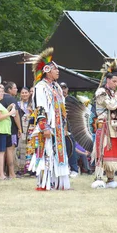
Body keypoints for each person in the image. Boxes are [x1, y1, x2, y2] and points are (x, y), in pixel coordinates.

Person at [26, 48, 71, 190]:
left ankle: (58, 182)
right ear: (47, 70)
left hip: (58, 128)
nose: (58, 72)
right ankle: (45, 182)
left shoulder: (56, 87)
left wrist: (64, 126)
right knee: (47, 153)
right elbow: (40, 108)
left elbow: (62, 109)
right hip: (48, 127)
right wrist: (44, 126)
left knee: (58, 154)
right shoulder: (41, 87)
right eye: (55, 69)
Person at [90, 59, 117, 189]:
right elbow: (112, 105)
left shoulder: (115, 93)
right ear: (107, 80)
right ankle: (98, 177)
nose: (116, 84)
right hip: (104, 126)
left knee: (112, 153)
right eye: (114, 81)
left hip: (115, 127)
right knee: (102, 151)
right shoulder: (100, 92)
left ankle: (111, 179)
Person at [1, 81, 22, 179]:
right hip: (12, 128)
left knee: (2, 151)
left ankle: (2, 173)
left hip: (0, 128)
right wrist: (19, 128)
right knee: (11, 149)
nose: (16, 90)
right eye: (15, 88)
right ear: (9, 89)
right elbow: (16, 115)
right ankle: (11, 173)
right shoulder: (11, 99)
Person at [60, 82, 81, 178]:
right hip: (59, 128)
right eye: (61, 88)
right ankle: (63, 168)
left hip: (70, 127)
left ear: (67, 89)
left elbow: (79, 112)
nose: (63, 90)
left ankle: (74, 169)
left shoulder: (72, 100)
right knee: (61, 149)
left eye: (65, 88)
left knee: (71, 148)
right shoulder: (56, 100)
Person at [17, 86, 32, 173]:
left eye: (26, 92)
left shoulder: (33, 104)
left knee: (30, 147)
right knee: (21, 147)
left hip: (30, 128)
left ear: (29, 94)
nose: (24, 94)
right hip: (21, 127)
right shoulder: (18, 104)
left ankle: (30, 167)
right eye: (22, 93)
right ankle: (21, 167)